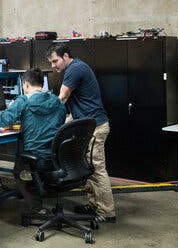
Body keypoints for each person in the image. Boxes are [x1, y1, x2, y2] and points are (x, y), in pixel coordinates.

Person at [46, 42, 116, 223]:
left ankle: (107, 212)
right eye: (51, 63)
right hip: (89, 127)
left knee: (97, 168)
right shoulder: (75, 68)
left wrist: (44, 113)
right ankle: (94, 205)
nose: (53, 66)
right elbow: (71, 112)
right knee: (89, 168)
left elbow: (62, 97)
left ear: (66, 56)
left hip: (96, 128)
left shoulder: (74, 69)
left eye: (55, 61)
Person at [0, 68, 66, 214]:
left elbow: (2, 121)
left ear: (25, 84)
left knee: (19, 169)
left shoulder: (23, 101)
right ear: (42, 83)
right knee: (29, 166)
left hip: (36, 159)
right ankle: (40, 191)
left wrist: (4, 111)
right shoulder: (57, 101)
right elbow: (60, 122)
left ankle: (36, 208)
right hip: (55, 158)